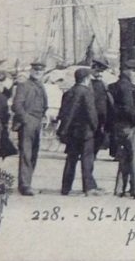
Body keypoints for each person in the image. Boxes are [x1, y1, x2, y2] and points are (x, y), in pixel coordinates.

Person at [57, 67, 104, 196]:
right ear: (86, 78)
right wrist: (95, 127)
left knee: (71, 159)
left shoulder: (69, 92)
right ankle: (88, 188)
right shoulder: (86, 92)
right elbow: (91, 112)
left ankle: (66, 187)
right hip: (85, 131)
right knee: (86, 159)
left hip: (72, 131)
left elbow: (63, 112)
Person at [110, 60, 135, 199]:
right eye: (134, 70)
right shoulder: (128, 87)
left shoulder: (115, 85)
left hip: (120, 126)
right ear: (126, 70)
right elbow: (129, 107)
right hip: (131, 126)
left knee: (124, 157)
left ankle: (119, 189)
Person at [11, 60, 49, 196]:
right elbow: (16, 105)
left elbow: (44, 104)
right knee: (26, 154)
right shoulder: (24, 85)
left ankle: (27, 182)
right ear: (31, 71)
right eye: (36, 70)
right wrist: (26, 120)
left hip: (38, 121)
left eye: (41, 71)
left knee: (33, 153)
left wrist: (44, 116)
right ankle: (25, 185)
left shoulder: (41, 86)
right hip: (28, 122)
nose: (38, 72)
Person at [89, 59, 112, 154]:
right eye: (97, 71)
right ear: (93, 68)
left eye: (101, 72)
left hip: (101, 116)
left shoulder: (103, 83)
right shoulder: (88, 82)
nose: (99, 74)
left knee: (99, 137)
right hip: (91, 115)